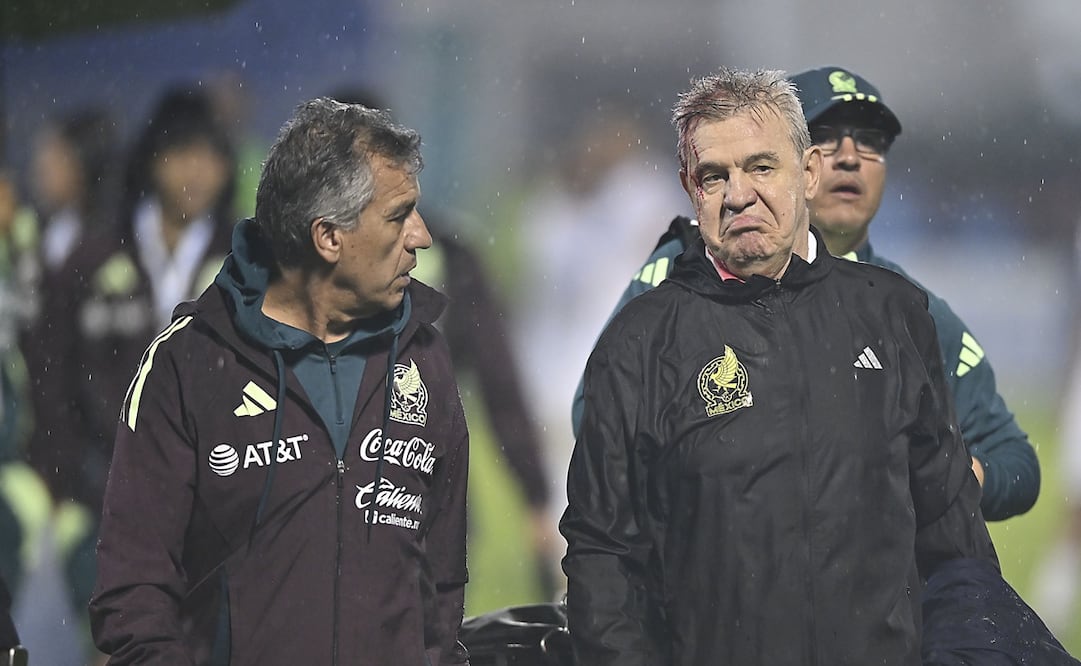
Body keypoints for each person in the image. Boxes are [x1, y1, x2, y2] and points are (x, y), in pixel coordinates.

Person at [560, 67, 998, 665]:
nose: (739, 194)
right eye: (715, 176)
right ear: (691, 189)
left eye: (762, 167)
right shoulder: (640, 341)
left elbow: (954, 539)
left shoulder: (892, 314)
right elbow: (603, 558)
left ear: (808, 172)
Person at [89, 98, 470, 665]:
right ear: (328, 238)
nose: (422, 236)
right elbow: (133, 596)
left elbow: (440, 593)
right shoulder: (186, 365)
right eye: (398, 215)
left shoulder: (425, 358)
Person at [570, 65, 1039, 522]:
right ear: (797, 162)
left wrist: (943, 480)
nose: (850, 157)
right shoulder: (686, 268)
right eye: (826, 135)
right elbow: (598, 416)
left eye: (870, 141)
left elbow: (1015, 464)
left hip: (868, 592)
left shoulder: (908, 309)